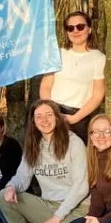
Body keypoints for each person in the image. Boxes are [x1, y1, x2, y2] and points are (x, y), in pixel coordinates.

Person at [0, 100, 90, 223]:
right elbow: (22, 177)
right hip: (49, 205)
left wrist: (57, 217)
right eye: (39, 116)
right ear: (33, 122)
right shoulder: (34, 145)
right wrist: (11, 186)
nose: (44, 120)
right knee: (3, 196)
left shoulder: (74, 142)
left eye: (49, 115)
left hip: (77, 208)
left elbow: (81, 187)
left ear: (57, 117)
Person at [39, 10, 106, 140]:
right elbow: (46, 85)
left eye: (80, 27)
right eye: (70, 28)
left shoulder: (99, 58)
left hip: (79, 117)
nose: (75, 31)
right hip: (52, 112)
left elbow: (97, 95)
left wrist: (74, 118)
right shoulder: (57, 54)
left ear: (90, 29)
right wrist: (50, 113)